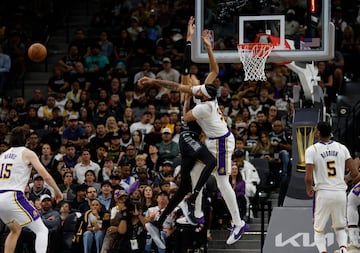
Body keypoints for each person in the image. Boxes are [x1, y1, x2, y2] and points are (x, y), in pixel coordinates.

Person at [142, 17, 246, 249]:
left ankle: (237, 223)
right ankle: (194, 212)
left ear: (203, 95)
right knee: (193, 177)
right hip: (210, 139)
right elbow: (214, 70)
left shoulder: (200, 108)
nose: (194, 84)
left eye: (196, 87)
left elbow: (182, 92)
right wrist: (204, 45)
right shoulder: (207, 91)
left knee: (219, 180)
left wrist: (157, 83)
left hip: (220, 143)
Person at [0, 126, 63, 253]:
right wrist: (57, 191)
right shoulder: (27, 153)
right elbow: (45, 175)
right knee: (42, 230)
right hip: (13, 196)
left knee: (15, 229)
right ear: (26, 140)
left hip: (1, 196)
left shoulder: (3, 155)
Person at [305, 121, 359, 253]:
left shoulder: (312, 150)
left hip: (323, 192)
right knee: (340, 227)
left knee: (319, 229)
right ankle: (343, 250)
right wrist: (346, 179)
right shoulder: (342, 148)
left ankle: (323, 251)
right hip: (340, 193)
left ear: (318, 133)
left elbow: (308, 177)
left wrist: (308, 188)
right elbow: (355, 172)